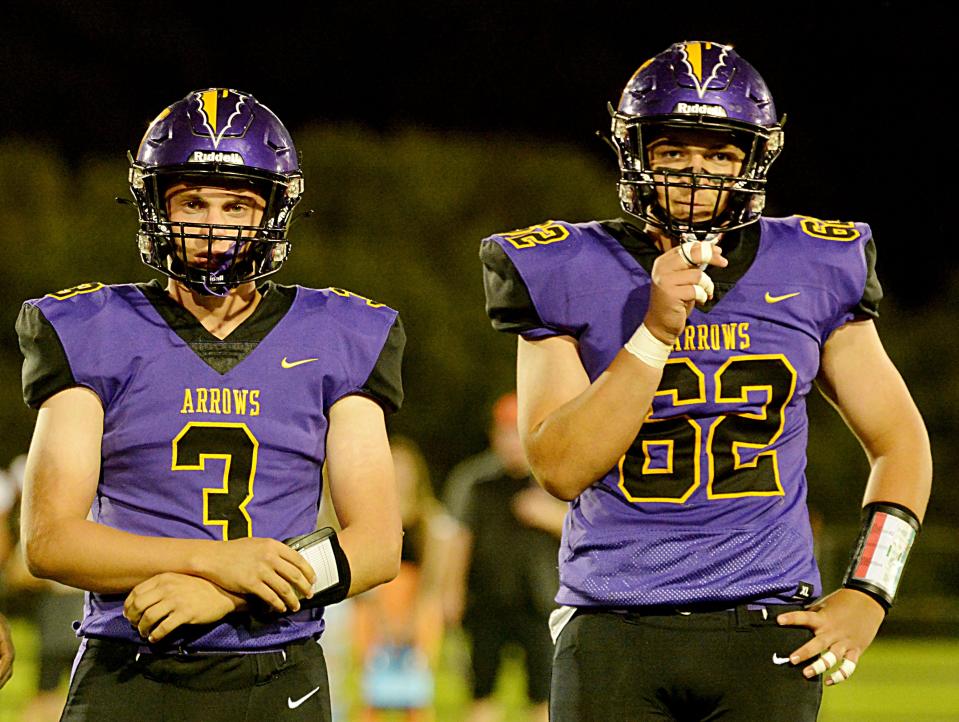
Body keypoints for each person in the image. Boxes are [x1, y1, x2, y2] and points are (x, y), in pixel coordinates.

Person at [479, 41, 932, 721]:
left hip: (765, 627)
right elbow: (560, 467)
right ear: (636, 154)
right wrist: (655, 332)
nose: (697, 172)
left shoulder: (814, 262)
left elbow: (900, 442)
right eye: (673, 151)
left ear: (754, 159)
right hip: (612, 621)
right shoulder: (562, 266)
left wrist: (868, 590)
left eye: (720, 153)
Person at [16, 88, 405, 721]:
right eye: (192, 201)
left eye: (236, 205)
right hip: (128, 659)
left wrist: (227, 594)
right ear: (155, 205)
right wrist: (210, 559)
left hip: (277, 662)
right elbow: (50, 539)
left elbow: (379, 544)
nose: (212, 225)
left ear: (272, 215)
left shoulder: (339, 331)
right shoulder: (91, 326)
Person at [441, 392, 567, 722]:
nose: (512, 442)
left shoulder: (554, 478)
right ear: (494, 435)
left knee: (544, 691)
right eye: (505, 433)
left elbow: (581, 529)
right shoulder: (476, 480)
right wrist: (450, 593)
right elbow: (458, 540)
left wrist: (550, 514)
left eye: (518, 433)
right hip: (486, 602)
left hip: (540, 602)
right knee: (482, 689)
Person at [353, 435, 445, 721]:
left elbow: (432, 577)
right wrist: (381, 618)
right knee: (373, 692)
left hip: (417, 607)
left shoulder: (429, 519)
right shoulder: (370, 516)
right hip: (375, 607)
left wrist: (413, 620)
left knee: (415, 694)